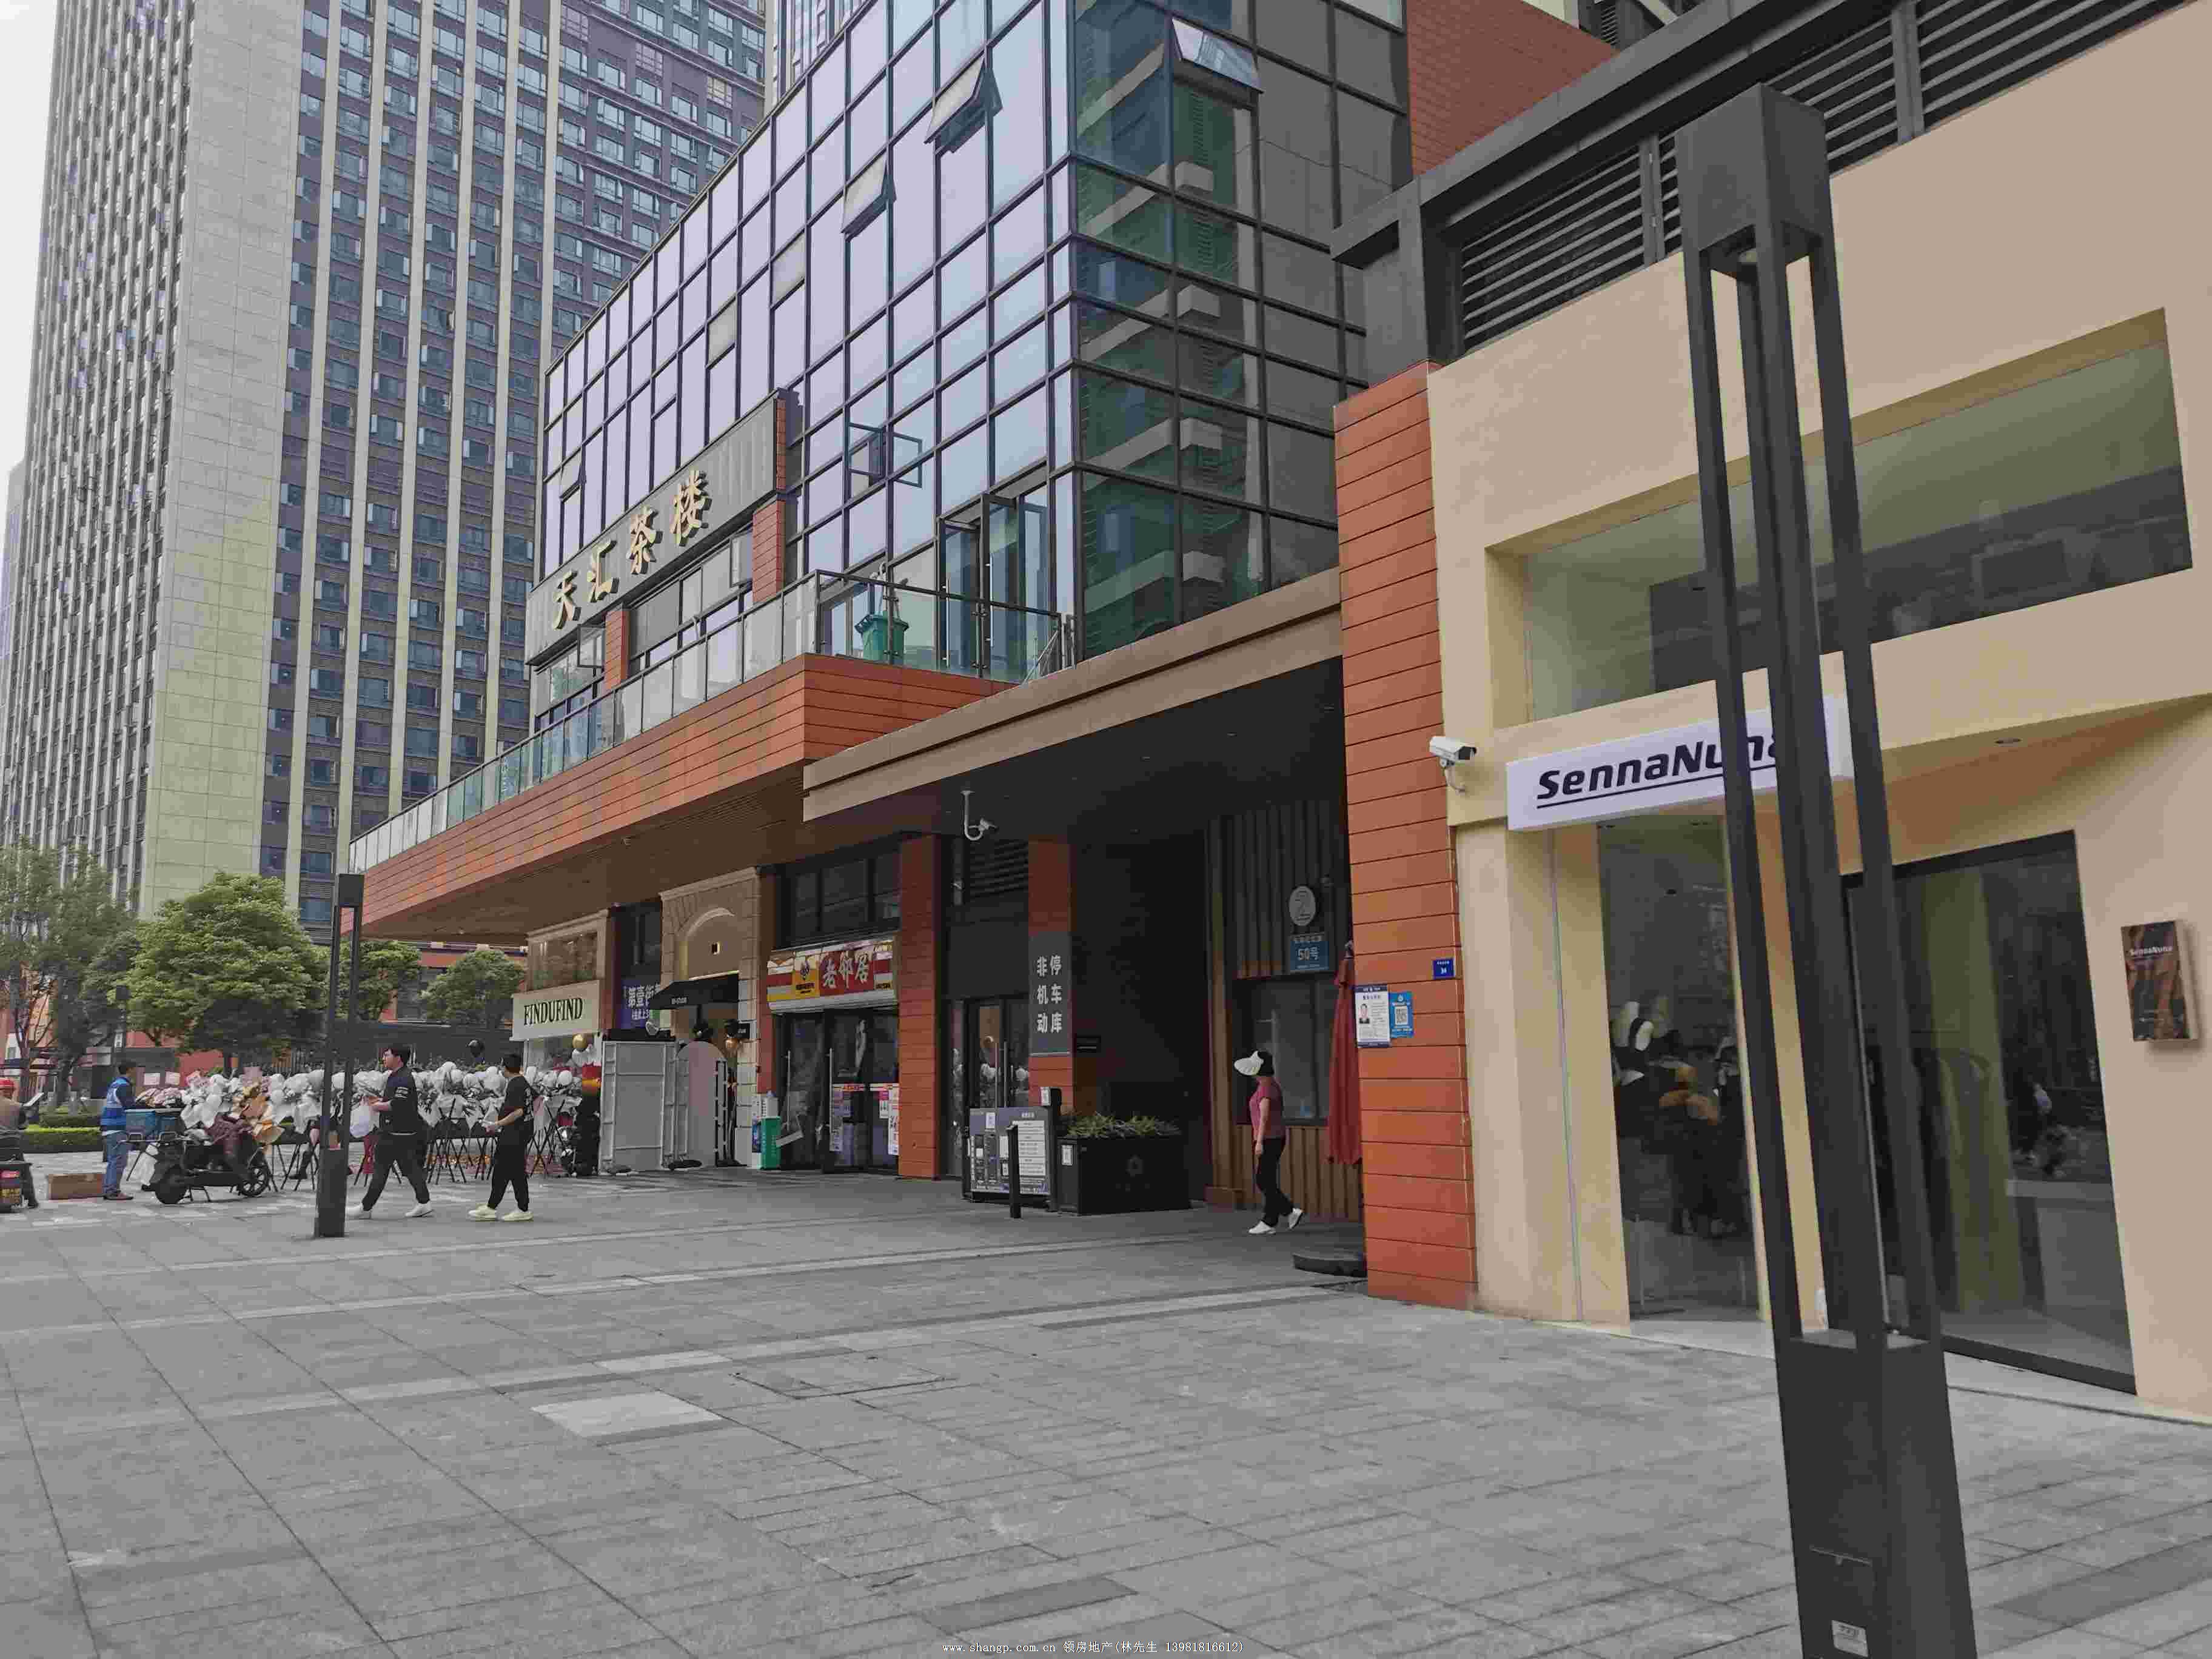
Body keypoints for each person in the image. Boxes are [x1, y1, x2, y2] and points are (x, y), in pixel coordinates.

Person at [1233, 1048, 1302, 1236]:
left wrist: (1259, 1142)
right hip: (1272, 1137)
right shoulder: (1268, 1085)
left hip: (1270, 1138)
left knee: (1263, 1180)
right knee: (1268, 1179)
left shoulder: (1266, 1088)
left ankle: (1289, 1211)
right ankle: (1269, 1221)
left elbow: (1265, 1117)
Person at [361, 1043, 434, 1218]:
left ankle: (366, 1208)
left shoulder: (404, 1078)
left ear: (398, 1058)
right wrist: (378, 1100)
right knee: (411, 1169)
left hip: (395, 1133)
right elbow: (394, 1099)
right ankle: (424, 1203)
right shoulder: (395, 1076)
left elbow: (398, 1104)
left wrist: (377, 1106)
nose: (383, 1058)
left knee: (381, 1170)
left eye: (387, 1055)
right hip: (399, 1132)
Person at [472, 1053, 535, 1223]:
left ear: (506, 1068)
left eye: (501, 1065)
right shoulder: (522, 1082)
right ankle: (495, 1207)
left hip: (514, 1134)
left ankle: (516, 1209)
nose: (500, 1069)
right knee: (510, 1171)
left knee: (508, 1171)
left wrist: (497, 1124)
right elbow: (534, 1101)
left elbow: (519, 1111)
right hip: (520, 1133)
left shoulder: (515, 1085)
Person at [99, 1067, 137, 1201]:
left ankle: (108, 1190)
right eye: (135, 1070)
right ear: (130, 1070)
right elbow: (130, 1106)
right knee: (119, 1161)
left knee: (113, 1161)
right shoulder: (124, 1086)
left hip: (108, 1127)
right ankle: (113, 1192)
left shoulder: (115, 1084)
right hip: (117, 1128)